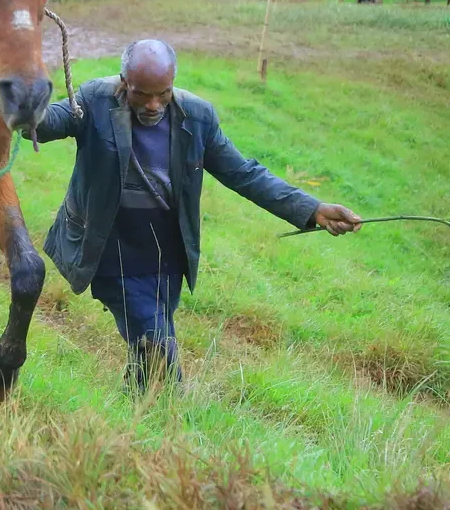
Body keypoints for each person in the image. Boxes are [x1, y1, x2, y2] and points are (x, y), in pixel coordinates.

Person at [28, 39, 361, 391]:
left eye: (163, 93)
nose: (154, 105)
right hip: (112, 252)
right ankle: (168, 418)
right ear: (124, 82)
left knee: (152, 349)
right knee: (158, 348)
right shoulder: (96, 100)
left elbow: (244, 174)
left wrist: (313, 210)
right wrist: (24, 103)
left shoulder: (198, 118)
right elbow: (49, 123)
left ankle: (136, 415)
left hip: (166, 258)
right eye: (142, 95)